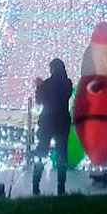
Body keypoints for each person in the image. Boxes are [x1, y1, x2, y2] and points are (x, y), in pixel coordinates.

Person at [32, 58, 73, 196]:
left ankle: (35, 185)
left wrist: (39, 86)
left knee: (41, 152)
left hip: (47, 121)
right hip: (62, 121)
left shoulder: (47, 84)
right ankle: (61, 188)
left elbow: (39, 101)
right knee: (62, 154)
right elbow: (66, 95)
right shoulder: (67, 83)